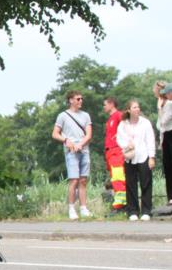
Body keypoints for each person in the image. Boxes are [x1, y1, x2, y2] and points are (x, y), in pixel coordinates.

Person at [52, 90, 93, 220]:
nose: (80, 101)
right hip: (71, 151)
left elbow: (89, 134)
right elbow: (55, 133)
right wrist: (66, 140)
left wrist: (81, 144)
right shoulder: (63, 116)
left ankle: (83, 208)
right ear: (71, 100)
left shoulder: (86, 115)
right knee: (73, 180)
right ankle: (71, 208)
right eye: (78, 99)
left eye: (81, 99)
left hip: (84, 150)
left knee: (83, 180)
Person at [116, 99, 156, 221]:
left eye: (138, 107)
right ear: (128, 110)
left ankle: (146, 211)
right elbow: (119, 139)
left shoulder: (145, 123)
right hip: (129, 157)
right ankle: (132, 211)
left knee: (146, 184)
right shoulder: (123, 124)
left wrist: (152, 157)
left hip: (143, 156)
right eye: (134, 107)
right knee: (130, 184)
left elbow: (150, 140)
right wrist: (127, 145)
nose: (137, 109)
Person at [102, 97, 127, 211]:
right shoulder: (110, 119)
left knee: (118, 176)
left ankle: (121, 203)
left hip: (116, 151)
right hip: (110, 152)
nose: (104, 107)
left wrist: (121, 136)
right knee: (114, 177)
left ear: (111, 104)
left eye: (105, 104)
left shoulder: (118, 115)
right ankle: (119, 200)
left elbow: (127, 125)